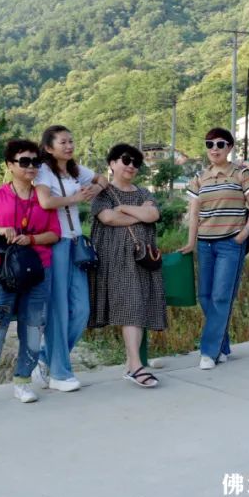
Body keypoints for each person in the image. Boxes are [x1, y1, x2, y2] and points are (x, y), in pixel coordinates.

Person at [0, 139, 62, 412]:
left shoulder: (44, 196)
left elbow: (55, 234)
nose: (31, 167)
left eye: (35, 162)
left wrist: (29, 239)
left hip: (39, 269)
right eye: (24, 161)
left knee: (32, 327)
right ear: (10, 165)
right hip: (1, 269)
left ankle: (22, 380)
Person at [32, 125, 107, 392]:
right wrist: (76, 197)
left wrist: (90, 193)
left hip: (76, 243)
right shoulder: (43, 170)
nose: (69, 146)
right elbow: (45, 202)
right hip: (56, 243)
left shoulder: (76, 170)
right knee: (59, 309)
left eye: (71, 141)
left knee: (82, 309)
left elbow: (103, 180)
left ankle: (44, 357)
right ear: (49, 147)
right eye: (63, 142)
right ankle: (60, 374)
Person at [179, 128, 249, 370]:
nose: (214, 148)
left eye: (220, 144)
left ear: (229, 147)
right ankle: (222, 346)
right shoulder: (199, 178)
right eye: (209, 144)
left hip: (230, 244)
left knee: (221, 296)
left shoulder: (241, 174)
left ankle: (208, 351)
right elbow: (194, 213)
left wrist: (244, 234)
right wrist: (191, 242)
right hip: (205, 244)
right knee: (205, 296)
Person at [88, 144, 167, 388]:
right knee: (132, 304)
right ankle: (135, 366)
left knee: (138, 306)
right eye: (125, 160)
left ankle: (132, 364)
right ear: (112, 163)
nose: (131, 165)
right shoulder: (101, 193)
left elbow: (153, 215)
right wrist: (137, 214)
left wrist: (123, 208)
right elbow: (108, 218)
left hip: (142, 258)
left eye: (136, 162)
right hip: (115, 259)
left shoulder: (143, 192)